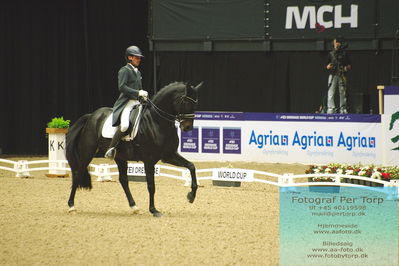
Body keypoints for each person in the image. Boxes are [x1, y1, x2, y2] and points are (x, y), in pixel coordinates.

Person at [104, 45, 148, 160]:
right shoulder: (124, 70)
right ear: (130, 57)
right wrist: (138, 92)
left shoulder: (137, 72)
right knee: (124, 125)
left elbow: (139, 88)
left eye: (139, 58)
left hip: (137, 103)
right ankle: (111, 148)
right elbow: (122, 87)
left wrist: (143, 97)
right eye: (136, 57)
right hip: (127, 102)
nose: (139, 60)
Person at [326, 37, 351, 114]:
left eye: (338, 42)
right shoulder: (331, 54)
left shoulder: (344, 53)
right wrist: (329, 66)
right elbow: (326, 66)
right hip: (332, 74)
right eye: (335, 42)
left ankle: (342, 108)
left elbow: (349, 65)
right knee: (331, 91)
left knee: (342, 92)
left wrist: (346, 68)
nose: (336, 44)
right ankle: (331, 108)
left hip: (342, 74)